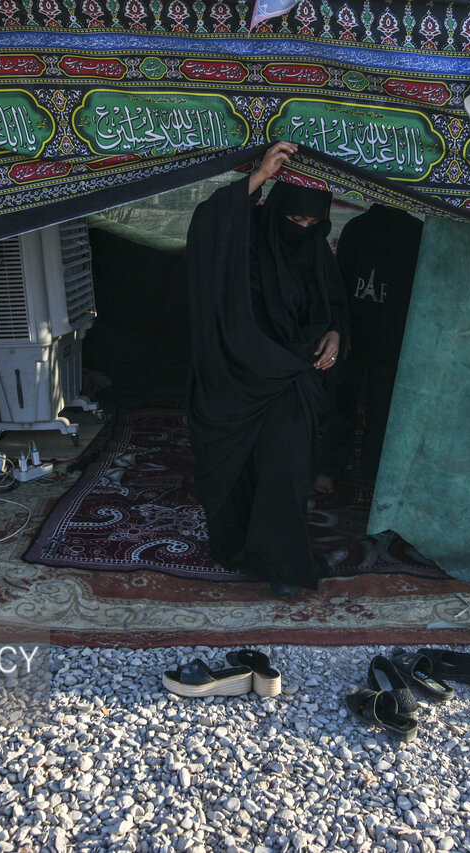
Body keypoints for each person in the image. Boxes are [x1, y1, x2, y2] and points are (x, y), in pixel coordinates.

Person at [185, 141, 347, 593]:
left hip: (293, 376)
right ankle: (239, 546)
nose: (302, 229)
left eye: (314, 223)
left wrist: (335, 334)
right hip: (240, 372)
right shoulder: (248, 237)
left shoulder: (314, 251)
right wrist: (257, 178)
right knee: (238, 467)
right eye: (294, 219)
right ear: (276, 211)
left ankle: (282, 565)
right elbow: (207, 230)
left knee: (286, 467)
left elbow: (332, 306)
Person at [313, 203, 423, 492]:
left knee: (382, 407)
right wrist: (342, 329)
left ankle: (371, 474)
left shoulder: (416, 233)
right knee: (345, 401)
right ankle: (333, 468)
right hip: (356, 334)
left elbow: (419, 290)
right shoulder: (358, 229)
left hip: (393, 336)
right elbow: (342, 283)